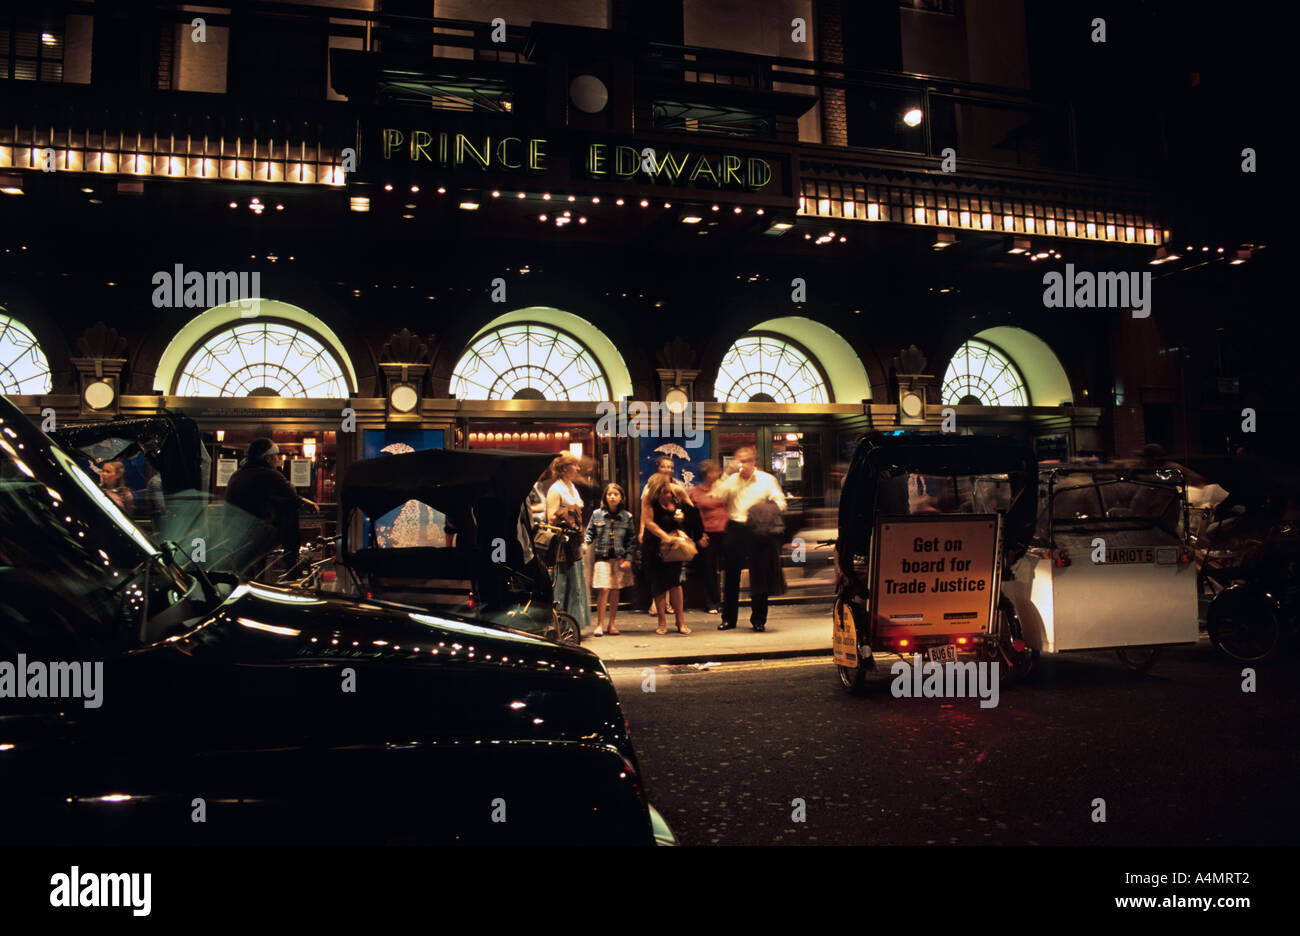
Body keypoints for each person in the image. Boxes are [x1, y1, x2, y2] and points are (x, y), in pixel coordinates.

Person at [714, 445, 787, 632]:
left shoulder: (766, 480)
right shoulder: (731, 480)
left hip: (759, 529)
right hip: (736, 528)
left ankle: (759, 620)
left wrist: (767, 511)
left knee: (759, 576)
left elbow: (781, 501)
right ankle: (729, 619)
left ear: (753, 461)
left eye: (746, 460)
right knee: (731, 576)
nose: (742, 463)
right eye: (739, 459)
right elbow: (716, 495)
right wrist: (727, 473)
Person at [224, 438, 318, 578]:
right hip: (256, 535)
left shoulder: (238, 474)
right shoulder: (269, 475)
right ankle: (291, 563)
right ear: (268, 458)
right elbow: (290, 497)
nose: (279, 459)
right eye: (276, 455)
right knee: (288, 512)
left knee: (247, 574)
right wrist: (305, 502)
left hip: (233, 535)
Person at [641, 473, 702, 635]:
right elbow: (648, 522)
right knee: (658, 584)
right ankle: (662, 621)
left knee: (676, 583)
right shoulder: (648, 496)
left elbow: (693, 513)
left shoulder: (677, 491)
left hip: (674, 546)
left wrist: (683, 517)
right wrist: (665, 536)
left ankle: (680, 621)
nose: (665, 496)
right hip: (654, 544)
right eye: (661, 494)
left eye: (667, 493)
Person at [640, 455, 693, 613]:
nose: (668, 469)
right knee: (657, 572)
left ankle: (669, 605)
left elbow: (689, 508)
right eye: (664, 466)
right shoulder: (651, 486)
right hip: (656, 534)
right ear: (658, 468)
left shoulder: (676, 486)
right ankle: (656, 604)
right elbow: (646, 514)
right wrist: (642, 529)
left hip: (674, 533)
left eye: (670, 467)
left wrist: (683, 517)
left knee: (673, 573)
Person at [546, 452, 591, 634]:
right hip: (561, 545)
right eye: (575, 465)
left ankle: (572, 625)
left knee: (576, 585)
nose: (578, 469)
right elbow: (551, 517)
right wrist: (571, 512)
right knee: (562, 585)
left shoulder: (571, 487)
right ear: (565, 468)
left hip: (573, 543)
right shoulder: (556, 490)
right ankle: (559, 625)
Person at [585, 483, 636, 636]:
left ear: (621, 498)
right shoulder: (597, 514)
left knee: (615, 589)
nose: (612, 497)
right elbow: (590, 533)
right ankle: (599, 624)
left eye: (616, 494)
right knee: (603, 589)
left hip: (619, 558)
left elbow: (631, 540)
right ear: (605, 497)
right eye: (609, 494)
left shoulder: (627, 517)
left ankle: (611, 623)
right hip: (603, 556)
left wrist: (629, 558)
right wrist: (585, 544)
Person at [689, 460, 728, 614]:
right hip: (707, 533)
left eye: (716, 472)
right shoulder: (695, 492)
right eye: (712, 472)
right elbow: (692, 516)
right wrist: (698, 535)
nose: (715, 475)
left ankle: (727, 599)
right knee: (708, 568)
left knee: (727, 567)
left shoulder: (723, 490)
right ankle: (711, 602)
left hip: (725, 531)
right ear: (705, 474)